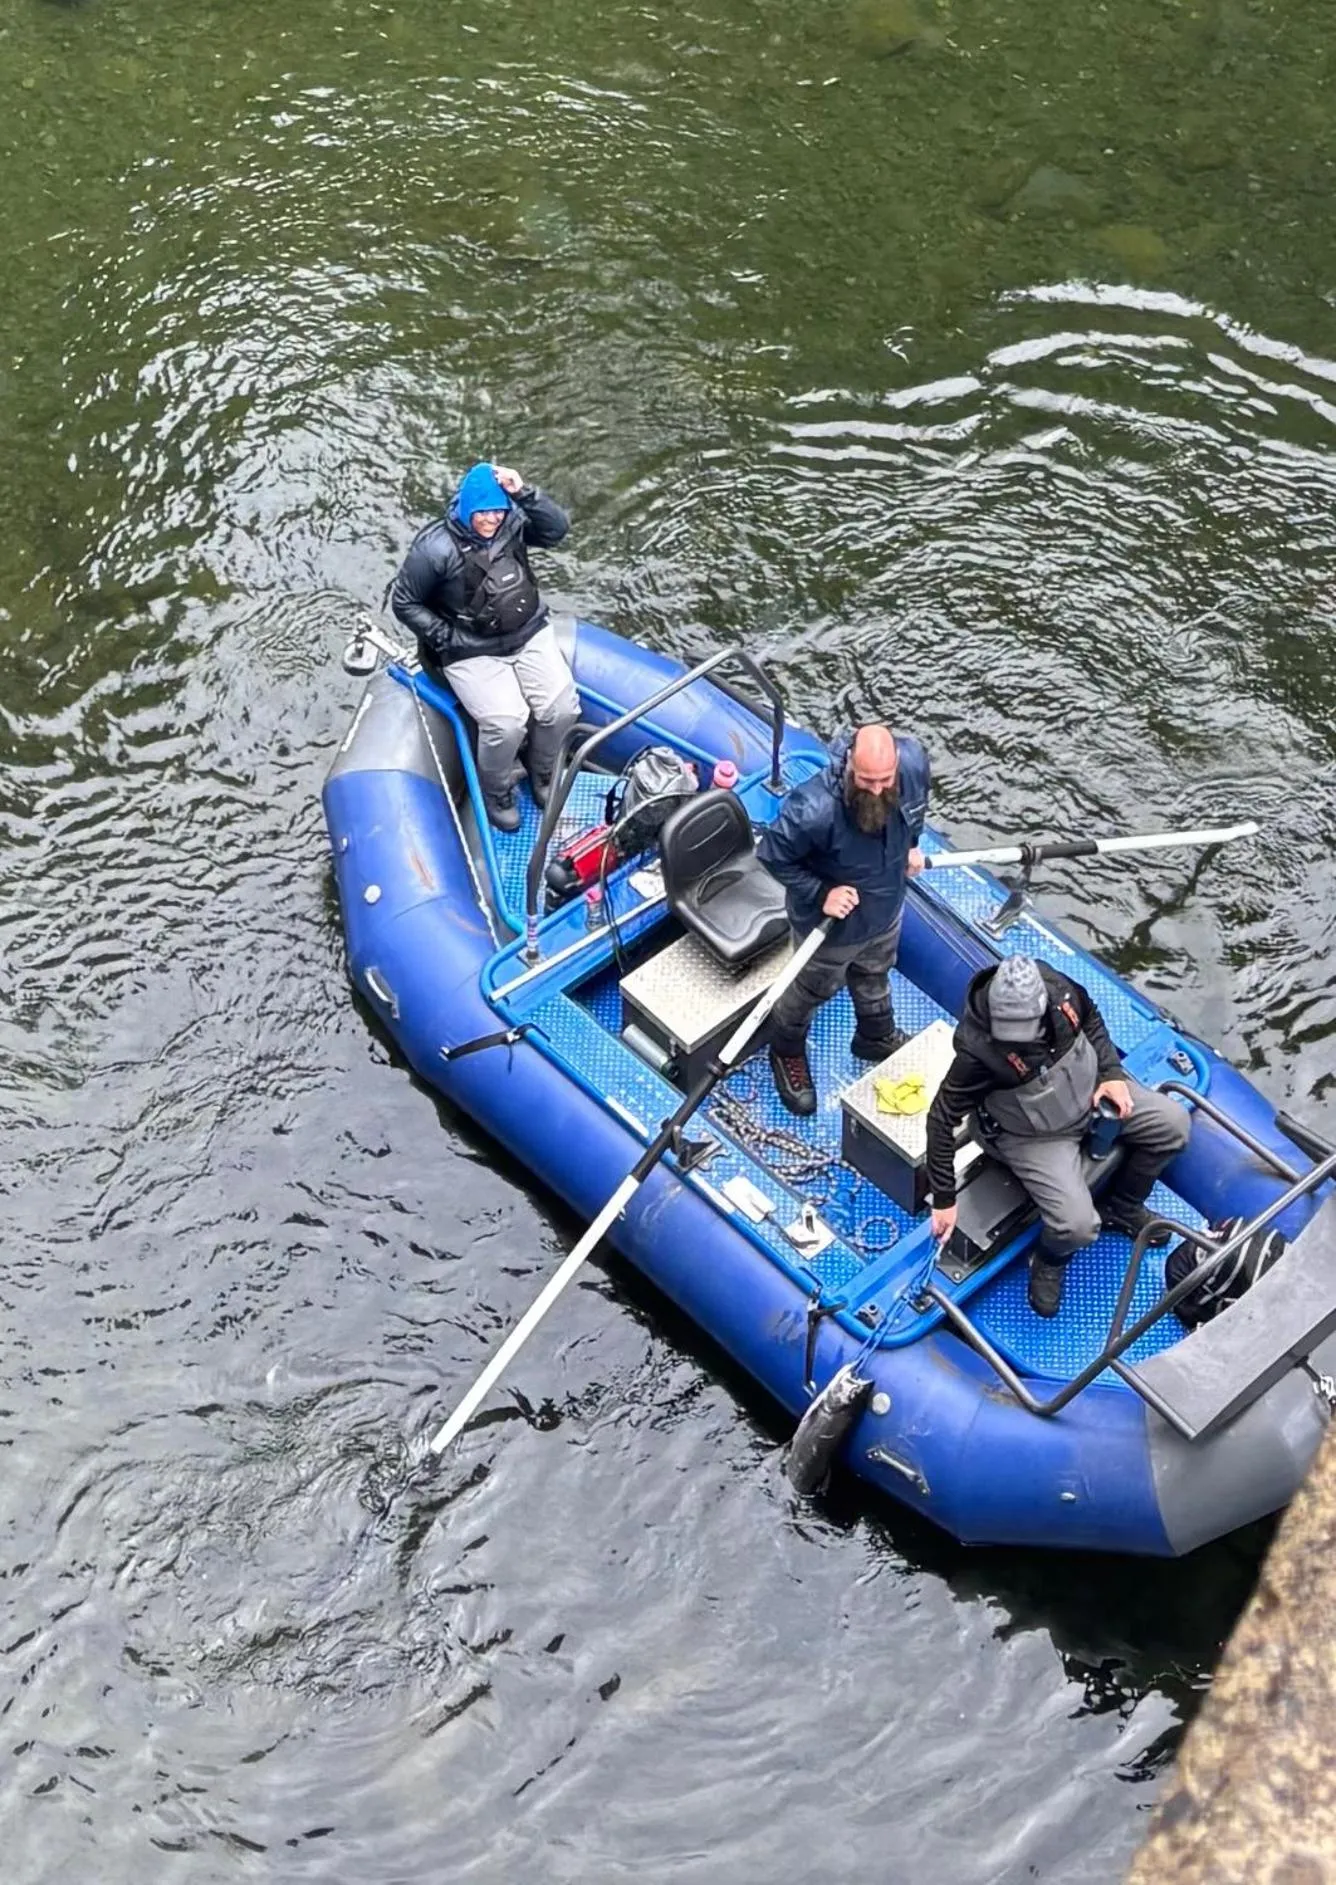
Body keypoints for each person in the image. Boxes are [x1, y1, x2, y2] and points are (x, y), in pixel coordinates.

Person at [925, 954, 1191, 1317]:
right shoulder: (976, 1053)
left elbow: (1092, 1018)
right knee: (1077, 1225)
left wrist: (1111, 1073)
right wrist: (944, 1198)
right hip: (1032, 1135)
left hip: (1090, 1093)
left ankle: (1123, 1206)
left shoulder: (1059, 991)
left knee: (1172, 1125)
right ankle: (1048, 1261)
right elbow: (941, 1118)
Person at [390, 462, 581, 832]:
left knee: (561, 708)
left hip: (527, 632)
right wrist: (445, 637)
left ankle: (543, 775)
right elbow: (404, 602)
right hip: (471, 647)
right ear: (467, 509)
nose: (492, 519)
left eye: (497, 510)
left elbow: (557, 530)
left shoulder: (513, 524)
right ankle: (499, 789)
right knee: (506, 724)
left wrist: (523, 492)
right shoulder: (434, 550)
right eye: (483, 512)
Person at [756, 723, 930, 1117]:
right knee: (808, 991)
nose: (875, 790)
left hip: (885, 907)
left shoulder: (914, 767)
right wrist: (821, 893)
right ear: (849, 763)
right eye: (866, 780)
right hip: (832, 928)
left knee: (876, 971)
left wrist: (912, 846)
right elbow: (771, 855)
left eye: (884, 780)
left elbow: (917, 809)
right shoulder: (812, 809)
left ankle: (874, 1035)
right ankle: (785, 1051)